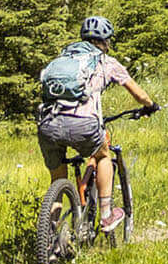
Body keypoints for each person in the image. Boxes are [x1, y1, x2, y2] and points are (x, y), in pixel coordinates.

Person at [37, 16, 158, 233]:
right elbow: (137, 93)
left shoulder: (63, 59)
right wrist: (150, 105)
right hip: (83, 123)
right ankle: (106, 215)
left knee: (57, 179)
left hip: (48, 124)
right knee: (103, 155)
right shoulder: (106, 62)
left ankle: (49, 236)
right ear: (106, 41)